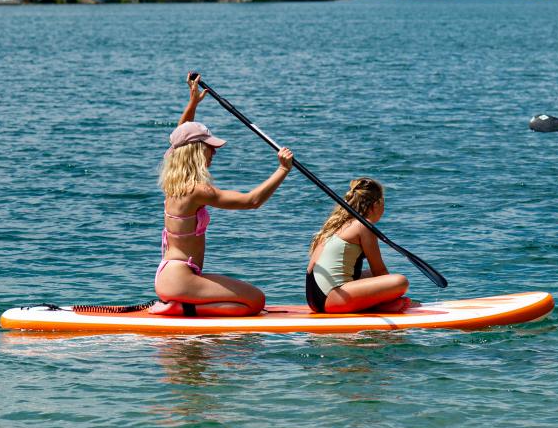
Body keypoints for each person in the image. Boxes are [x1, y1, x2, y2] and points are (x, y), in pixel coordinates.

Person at [153, 73, 293, 317]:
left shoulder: (171, 180)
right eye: (210, 148)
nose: (214, 153)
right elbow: (252, 201)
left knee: (249, 302)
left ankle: (183, 305)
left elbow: (180, 136)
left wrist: (192, 104)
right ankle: (183, 307)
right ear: (196, 152)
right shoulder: (197, 191)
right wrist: (282, 169)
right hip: (179, 278)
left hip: (172, 274)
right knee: (255, 302)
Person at [305, 178, 410, 314]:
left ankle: (372, 305)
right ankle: (377, 307)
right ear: (376, 204)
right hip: (333, 297)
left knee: (371, 275)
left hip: (314, 298)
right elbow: (380, 271)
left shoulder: (336, 224)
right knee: (400, 282)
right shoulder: (363, 226)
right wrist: (391, 296)